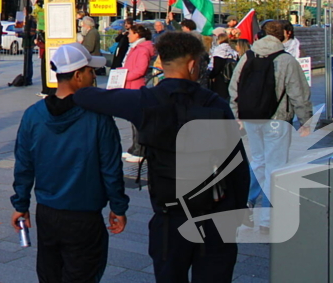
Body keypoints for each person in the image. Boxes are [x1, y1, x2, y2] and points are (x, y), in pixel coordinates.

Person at [74, 32, 250, 283]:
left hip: (170, 218)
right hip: (214, 216)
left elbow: (87, 96)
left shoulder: (145, 101)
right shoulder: (216, 104)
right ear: (192, 64)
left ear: (161, 63)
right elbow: (238, 167)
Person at [11, 43, 128, 283]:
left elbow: (24, 165)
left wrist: (21, 204)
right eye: (90, 71)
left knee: (50, 275)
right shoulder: (98, 117)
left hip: (47, 213)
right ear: (77, 76)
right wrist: (118, 206)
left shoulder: (33, 114)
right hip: (84, 216)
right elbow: (111, 168)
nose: (94, 76)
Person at [228, 19, 313, 234]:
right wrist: (306, 121)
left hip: (250, 119)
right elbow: (299, 94)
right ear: (283, 35)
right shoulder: (286, 60)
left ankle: (244, 204)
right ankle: (266, 219)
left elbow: (234, 87)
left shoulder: (247, 56)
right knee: (275, 168)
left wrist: (237, 114)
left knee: (258, 161)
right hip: (277, 121)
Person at [119, 22, 154, 163]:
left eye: (130, 33)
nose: (128, 35)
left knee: (138, 121)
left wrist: (124, 75)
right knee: (133, 120)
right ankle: (134, 148)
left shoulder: (142, 49)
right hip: (131, 86)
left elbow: (140, 70)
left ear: (137, 34)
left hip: (136, 86)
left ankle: (140, 151)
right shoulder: (136, 48)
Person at [206, 28, 238, 101]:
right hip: (230, 76)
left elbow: (217, 65)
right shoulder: (231, 50)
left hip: (220, 78)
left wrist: (211, 75)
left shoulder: (220, 49)